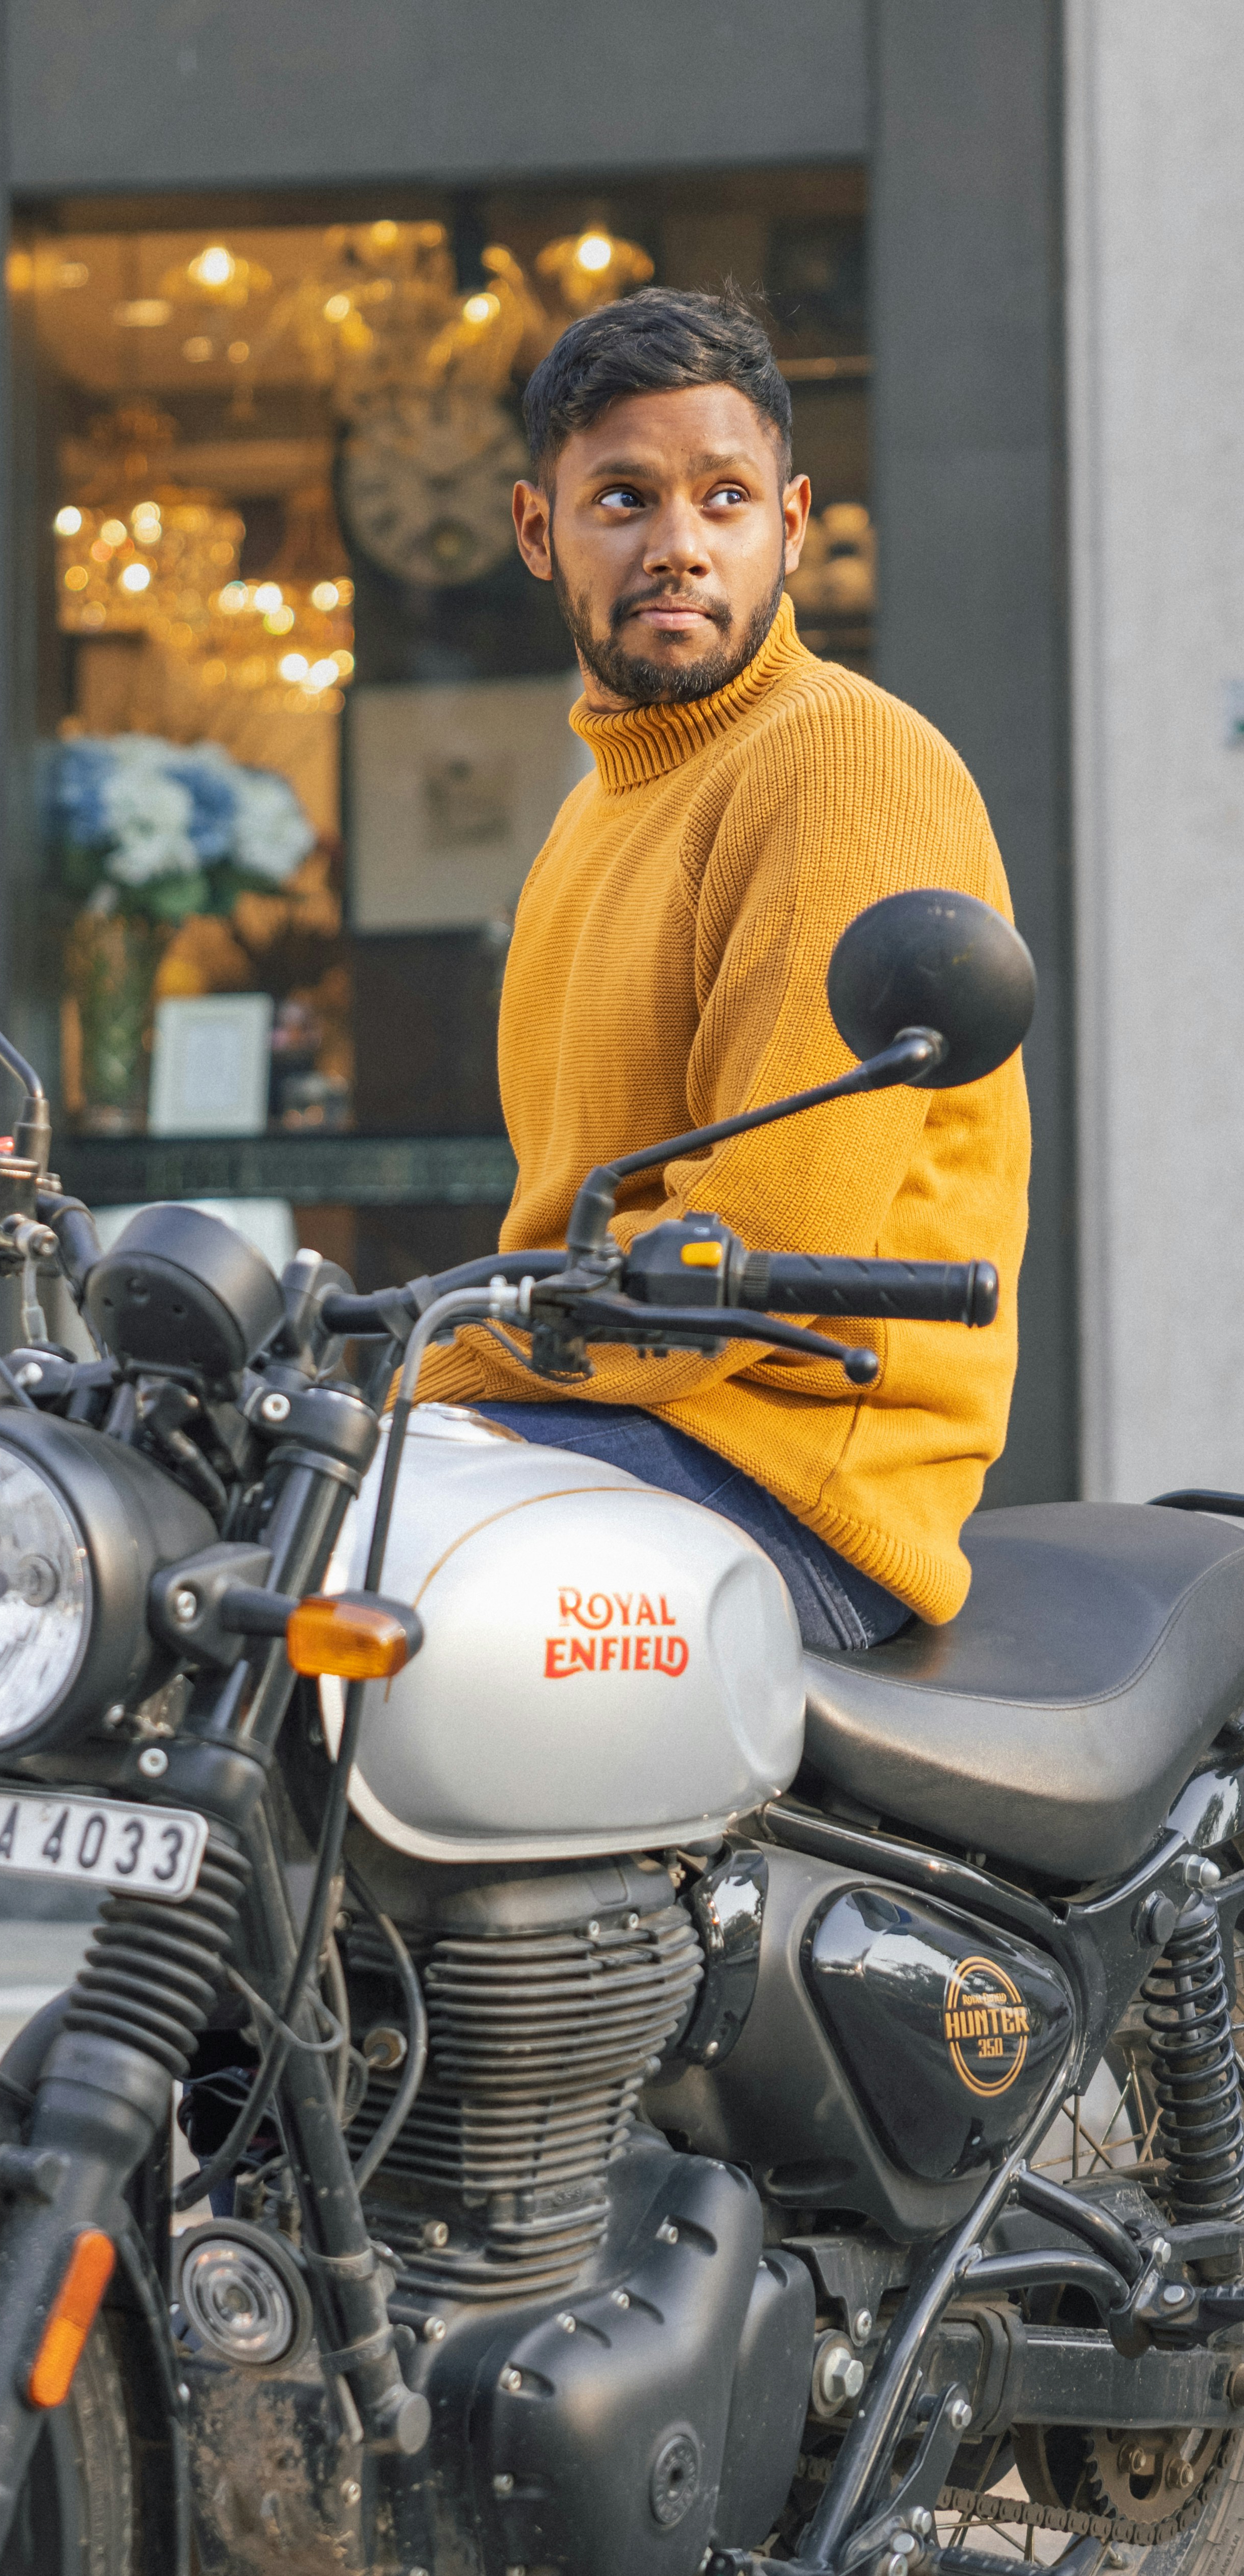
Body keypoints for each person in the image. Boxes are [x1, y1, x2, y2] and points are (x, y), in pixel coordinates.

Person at [414, 287, 1030, 1651]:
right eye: (623, 499)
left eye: (726, 498)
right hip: (616, 1429)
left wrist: (417, 1371)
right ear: (538, 530)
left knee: (361, 1566)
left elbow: (767, 1248)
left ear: (793, 526)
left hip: (791, 1474)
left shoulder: (840, 758)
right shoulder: (596, 809)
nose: (679, 546)